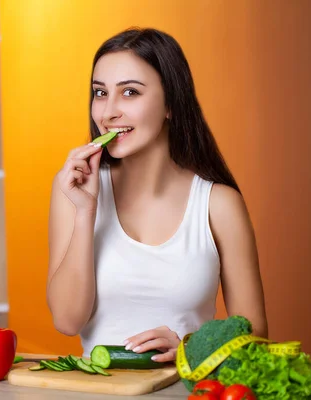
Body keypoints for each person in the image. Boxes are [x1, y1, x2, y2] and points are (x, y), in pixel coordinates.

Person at [47, 27, 268, 361]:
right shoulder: (72, 191)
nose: (108, 113)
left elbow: (255, 337)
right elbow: (66, 320)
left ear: (170, 104)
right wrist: (85, 212)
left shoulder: (218, 204)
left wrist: (187, 348)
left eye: (130, 93)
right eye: (100, 93)